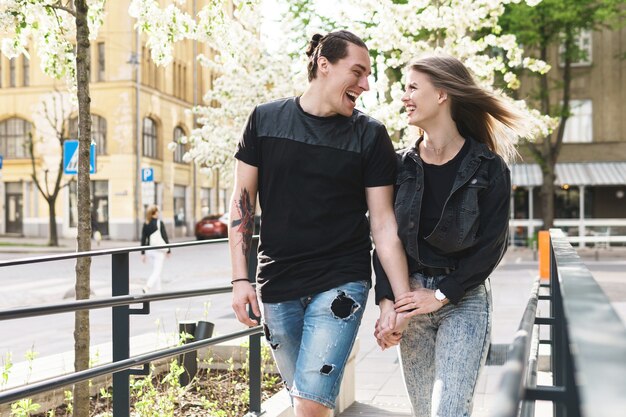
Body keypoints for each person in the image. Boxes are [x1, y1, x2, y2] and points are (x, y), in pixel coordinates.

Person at [229, 30, 410, 417]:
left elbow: (383, 223)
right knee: (305, 399)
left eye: (368, 75)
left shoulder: (370, 135)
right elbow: (242, 204)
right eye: (357, 72)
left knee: (310, 405)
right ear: (324, 65)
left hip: (341, 279)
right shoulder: (265, 120)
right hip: (277, 282)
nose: (365, 84)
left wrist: (395, 299)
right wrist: (240, 279)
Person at [374, 54, 526, 417]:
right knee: (426, 411)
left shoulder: (489, 167)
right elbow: (383, 238)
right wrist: (387, 306)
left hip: (464, 301)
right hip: (408, 298)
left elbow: (492, 247)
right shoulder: (399, 165)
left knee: (450, 410)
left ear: (442, 94)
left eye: (412, 87)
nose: (404, 97)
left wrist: (441, 295)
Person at [140, 205, 171, 293]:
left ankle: (158, 289)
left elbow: (143, 239)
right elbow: (165, 237)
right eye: (158, 211)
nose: (158, 213)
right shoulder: (159, 223)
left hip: (149, 250)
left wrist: (142, 253)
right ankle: (147, 286)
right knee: (157, 270)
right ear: (155, 212)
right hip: (158, 251)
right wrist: (168, 250)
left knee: (156, 269)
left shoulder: (146, 223)